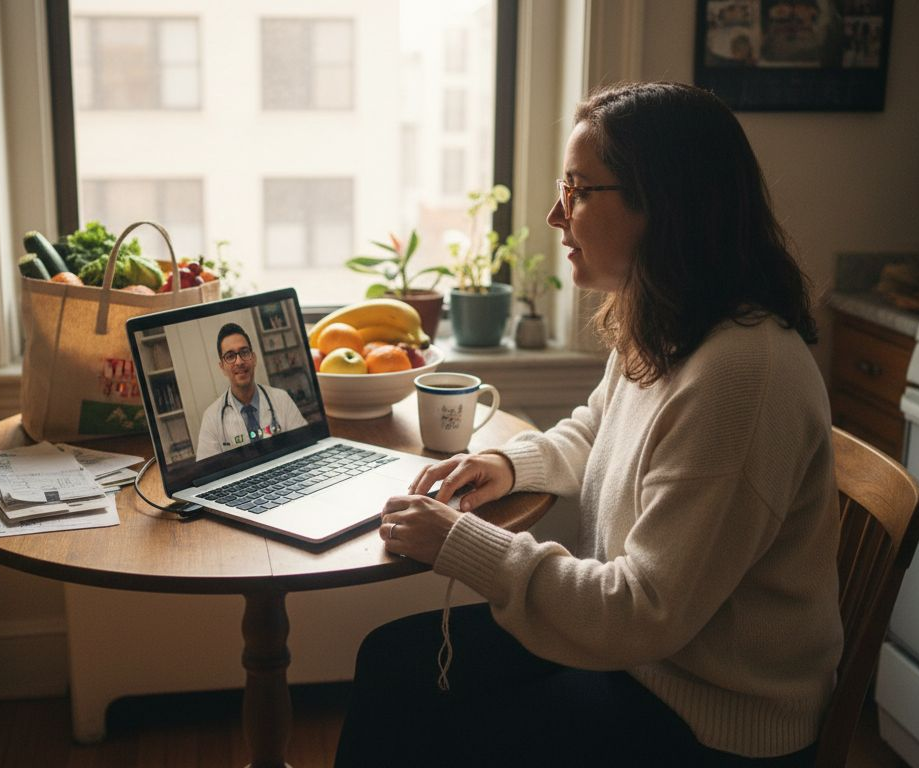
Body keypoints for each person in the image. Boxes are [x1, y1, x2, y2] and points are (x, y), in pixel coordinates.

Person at [335, 82, 842, 767]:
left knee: (437, 727)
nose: (554, 214)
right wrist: (510, 466)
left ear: (663, 204)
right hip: (641, 664)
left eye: (578, 190)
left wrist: (463, 544)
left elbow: (641, 610)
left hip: (706, 721)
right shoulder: (671, 323)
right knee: (394, 662)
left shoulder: (741, 375)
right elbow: (599, 428)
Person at [195, 322, 307, 461]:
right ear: (222, 367)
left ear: (253, 358)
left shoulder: (281, 399)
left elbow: (306, 449)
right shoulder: (211, 418)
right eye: (230, 356)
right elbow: (206, 471)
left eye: (244, 352)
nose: (239, 361)